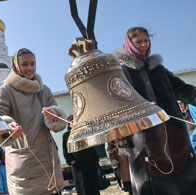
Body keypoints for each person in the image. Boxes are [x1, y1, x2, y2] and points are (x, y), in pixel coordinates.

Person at [114, 26, 196, 195]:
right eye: (138, 42)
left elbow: (181, 88)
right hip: (145, 143)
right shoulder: (122, 72)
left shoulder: (158, 68)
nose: (144, 45)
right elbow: (118, 104)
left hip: (175, 137)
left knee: (186, 184)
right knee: (157, 187)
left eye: (146, 40)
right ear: (129, 44)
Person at [0, 48, 66, 195]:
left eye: (33, 64)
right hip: (23, 165)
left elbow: (58, 119)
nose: (29, 68)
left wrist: (53, 114)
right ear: (16, 66)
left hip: (48, 161)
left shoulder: (44, 90)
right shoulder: (6, 90)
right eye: (25, 64)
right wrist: (8, 126)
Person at [62, 115, 101, 195]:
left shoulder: (84, 132)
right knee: (83, 186)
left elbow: (91, 146)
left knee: (93, 184)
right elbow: (65, 150)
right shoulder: (66, 135)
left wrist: (95, 159)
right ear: (69, 124)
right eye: (72, 122)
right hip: (78, 164)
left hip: (89, 162)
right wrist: (70, 159)